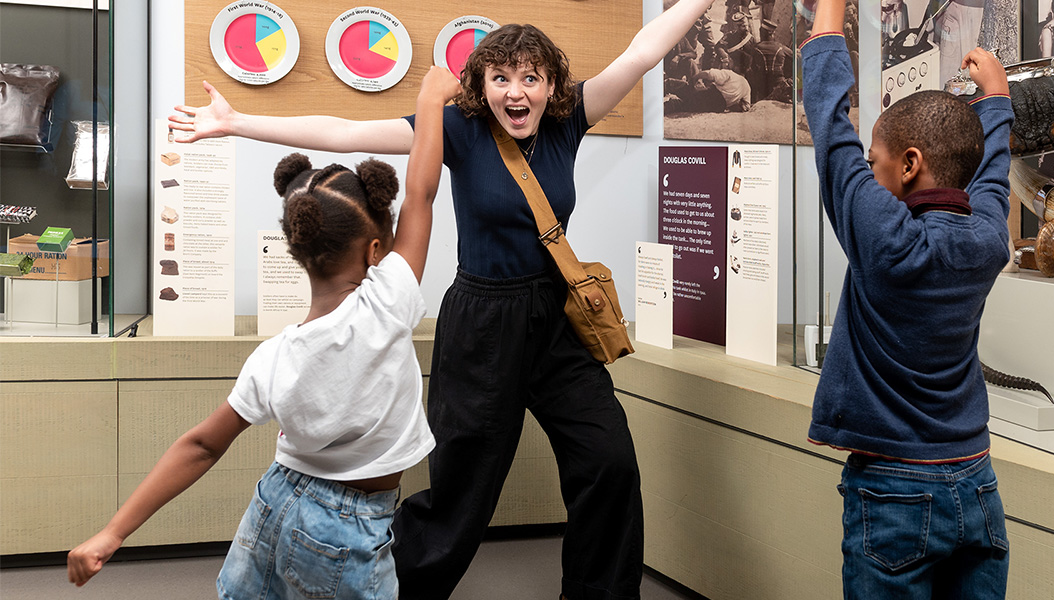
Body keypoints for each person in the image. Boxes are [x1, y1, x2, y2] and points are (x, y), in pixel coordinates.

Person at [169, 3, 718, 599]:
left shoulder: (569, 121)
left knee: (608, 459)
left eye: (531, 77)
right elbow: (345, 134)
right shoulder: (458, 128)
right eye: (501, 77)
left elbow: (643, 50)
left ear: (551, 85)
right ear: (481, 85)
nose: (516, 92)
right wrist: (236, 121)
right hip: (481, 322)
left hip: (554, 319)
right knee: (459, 492)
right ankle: (395, 590)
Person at [66, 66, 460, 598]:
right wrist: (432, 96)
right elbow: (422, 191)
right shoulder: (389, 302)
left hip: (272, 504)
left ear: (297, 249)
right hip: (348, 530)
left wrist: (112, 534)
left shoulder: (272, 358)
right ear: (374, 252)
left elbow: (201, 445)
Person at [800, 0, 1014, 597]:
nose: (867, 172)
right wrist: (995, 98)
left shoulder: (885, 240)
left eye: (876, 164)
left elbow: (829, 126)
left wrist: (828, 18)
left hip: (894, 493)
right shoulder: (989, 236)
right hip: (977, 484)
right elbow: (992, 174)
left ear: (911, 164)